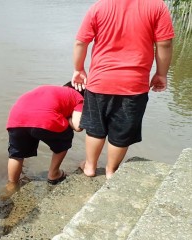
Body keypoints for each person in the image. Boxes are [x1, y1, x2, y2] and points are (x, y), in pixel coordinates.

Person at [72, 0, 174, 179]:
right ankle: (111, 171)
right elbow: (164, 44)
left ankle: (90, 167)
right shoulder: (157, 7)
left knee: (96, 128)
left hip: (100, 81)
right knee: (122, 130)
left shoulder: (99, 6)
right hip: (134, 85)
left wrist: (79, 68)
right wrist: (161, 74)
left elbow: (81, 42)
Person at [6, 84, 84, 185]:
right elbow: (78, 127)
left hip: (16, 118)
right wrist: (68, 119)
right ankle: (54, 174)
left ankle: (11, 185)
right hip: (44, 118)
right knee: (66, 136)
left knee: (16, 155)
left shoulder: (52, 89)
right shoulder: (79, 98)